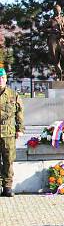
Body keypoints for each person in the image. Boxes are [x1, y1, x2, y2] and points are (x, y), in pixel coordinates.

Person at [0, 67, 24, 197]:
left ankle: (7, 187)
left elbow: (19, 113)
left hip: (8, 133)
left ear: (6, 79)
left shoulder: (12, 94)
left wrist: (20, 129)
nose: (0, 80)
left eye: (2, 78)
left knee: (8, 160)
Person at [47, 4, 64, 81]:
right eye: (56, 11)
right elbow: (44, 29)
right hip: (53, 40)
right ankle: (59, 75)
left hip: (62, 40)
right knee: (56, 60)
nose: (58, 12)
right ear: (54, 11)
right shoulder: (50, 20)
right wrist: (52, 31)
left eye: (59, 11)